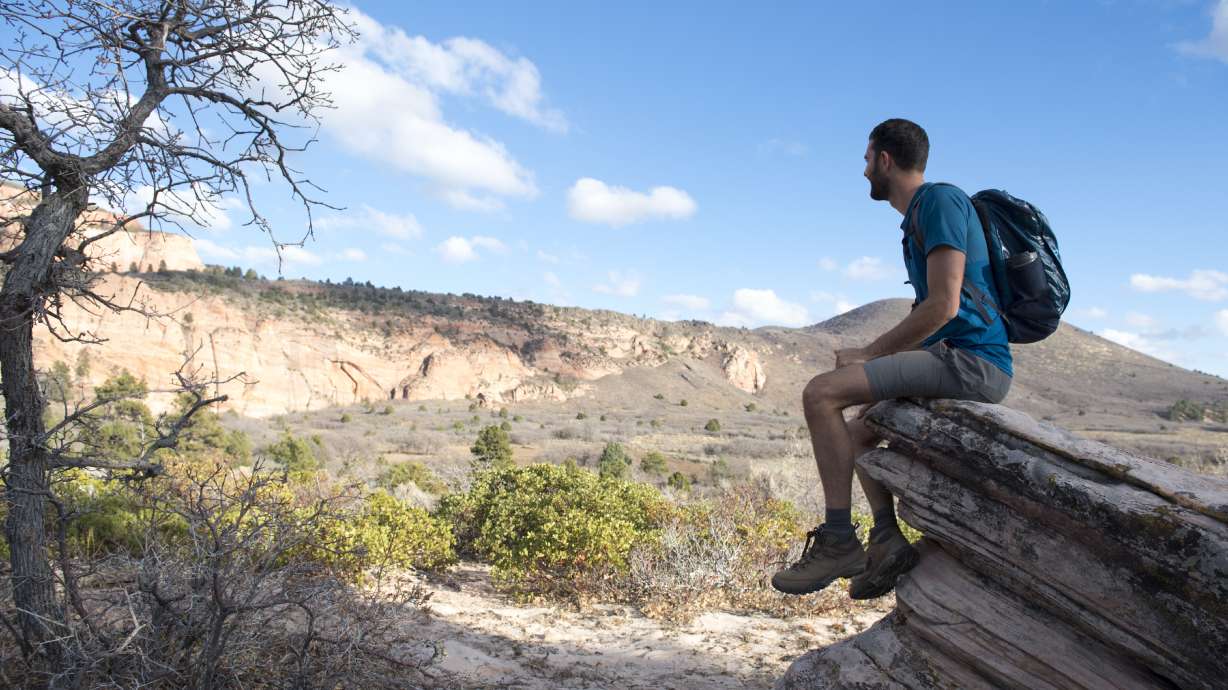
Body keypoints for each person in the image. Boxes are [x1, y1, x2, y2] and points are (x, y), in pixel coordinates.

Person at [771, 118, 1012, 599]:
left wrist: (869, 353)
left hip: (972, 363)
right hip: (954, 356)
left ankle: (839, 539)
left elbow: (943, 306)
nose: (863, 171)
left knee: (820, 394)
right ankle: (886, 541)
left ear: (885, 159)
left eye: (866, 160)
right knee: (858, 432)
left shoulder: (939, 201)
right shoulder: (920, 217)